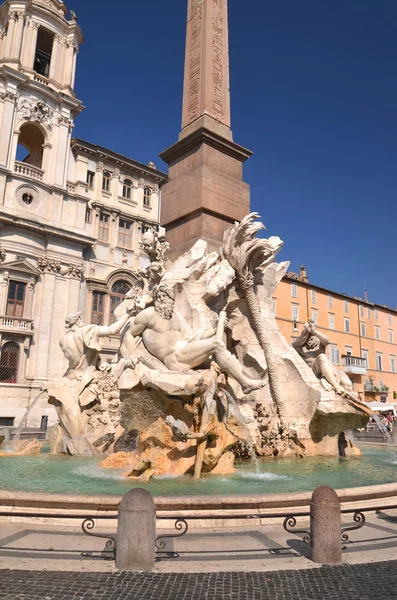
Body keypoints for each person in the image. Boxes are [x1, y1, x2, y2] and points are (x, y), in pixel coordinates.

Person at [123, 283, 267, 394]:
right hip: (173, 359)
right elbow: (130, 334)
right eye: (163, 297)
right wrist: (129, 354)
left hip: (184, 352)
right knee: (217, 344)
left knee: (219, 364)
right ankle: (245, 383)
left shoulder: (176, 317)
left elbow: (193, 338)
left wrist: (215, 329)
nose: (167, 300)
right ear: (157, 298)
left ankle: (243, 381)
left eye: (169, 297)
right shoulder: (148, 315)